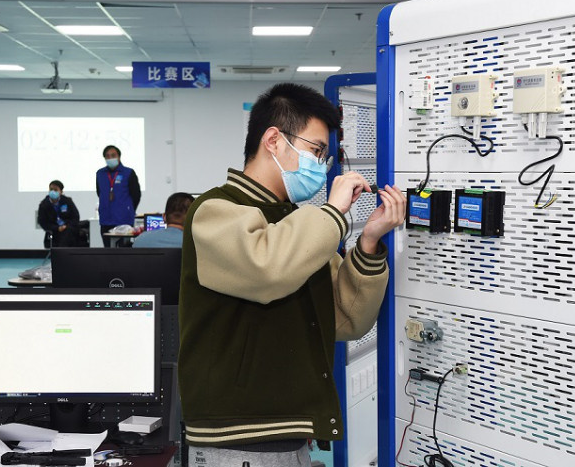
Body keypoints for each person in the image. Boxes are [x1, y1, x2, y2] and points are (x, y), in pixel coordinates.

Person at [177, 83, 406, 467]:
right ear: (273, 140)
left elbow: (347, 318)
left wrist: (368, 242)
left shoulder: (296, 224)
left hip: (289, 433)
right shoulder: (215, 210)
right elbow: (269, 270)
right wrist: (333, 212)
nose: (321, 163)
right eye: (316, 150)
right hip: (239, 438)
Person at [96, 145, 141, 247]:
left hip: (123, 218)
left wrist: (128, 209)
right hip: (105, 218)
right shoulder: (100, 173)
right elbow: (100, 192)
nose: (110, 158)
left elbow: (136, 195)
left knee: (123, 250)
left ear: (119, 157)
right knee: (108, 249)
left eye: (113, 155)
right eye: (107, 156)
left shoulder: (128, 173)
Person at [37, 180, 80, 248]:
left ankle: (62, 254)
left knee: (69, 233)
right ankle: (61, 254)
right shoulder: (43, 205)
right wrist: (57, 228)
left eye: (56, 190)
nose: (53, 192)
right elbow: (42, 222)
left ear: (61, 192)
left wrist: (66, 226)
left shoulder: (67, 201)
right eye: (51, 189)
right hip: (54, 230)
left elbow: (75, 217)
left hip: (68, 228)